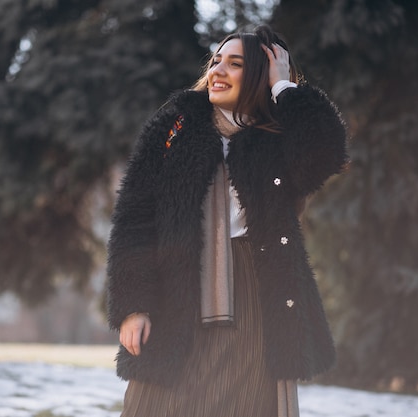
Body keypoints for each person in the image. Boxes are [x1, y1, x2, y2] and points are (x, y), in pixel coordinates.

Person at [106, 25, 348, 417]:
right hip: (178, 287)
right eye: (216, 60)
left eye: (234, 64)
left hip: (259, 288)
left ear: (257, 76)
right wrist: (133, 305)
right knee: (158, 405)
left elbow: (327, 152)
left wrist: (283, 86)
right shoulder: (174, 130)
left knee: (248, 403)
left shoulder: (276, 139)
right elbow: (134, 222)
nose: (218, 70)